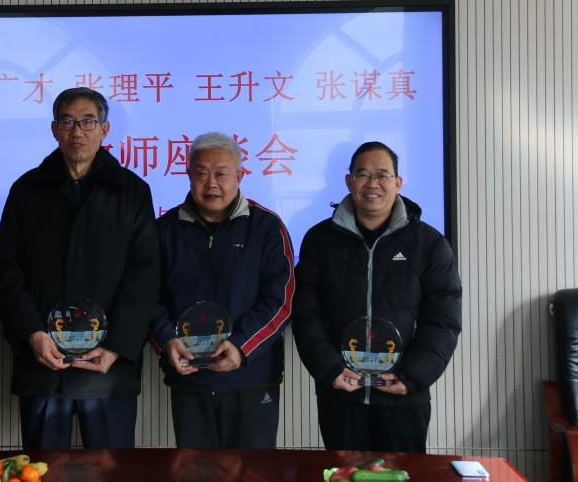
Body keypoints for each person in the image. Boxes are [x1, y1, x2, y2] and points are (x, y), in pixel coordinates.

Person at [0, 87, 160, 449]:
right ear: (54, 129)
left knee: (113, 471)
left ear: (104, 129)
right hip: (43, 361)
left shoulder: (132, 191)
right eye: (67, 122)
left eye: (88, 122)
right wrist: (32, 333)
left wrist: (116, 346)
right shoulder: (27, 190)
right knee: (42, 470)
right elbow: (6, 270)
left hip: (107, 366)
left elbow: (144, 275)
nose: (77, 131)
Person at [292, 141, 461, 453]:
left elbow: (444, 320)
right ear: (349, 181)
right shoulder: (320, 240)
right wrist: (330, 370)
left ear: (398, 183)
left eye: (383, 175)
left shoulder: (428, 244)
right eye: (363, 174)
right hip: (342, 394)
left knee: (402, 472)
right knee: (343, 472)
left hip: (403, 396)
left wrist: (412, 377)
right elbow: (305, 314)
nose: (372, 183)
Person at [149, 132, 294, 449]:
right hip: (189, 377)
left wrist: (241, 347)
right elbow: (148, 297)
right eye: (201, 173)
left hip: (251, 376)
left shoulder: (266, 227)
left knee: (252, 470)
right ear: (189, 175)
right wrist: (167, 340)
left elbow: (281, 299)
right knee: (195, 468)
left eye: (221, 173)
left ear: (239, 176)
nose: (211, 183)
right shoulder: (165, 230)